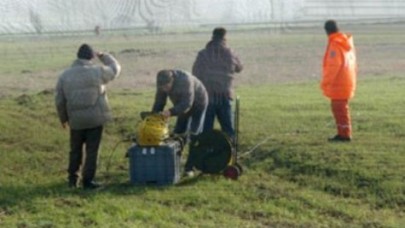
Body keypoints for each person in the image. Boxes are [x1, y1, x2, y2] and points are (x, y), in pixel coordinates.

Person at [55, 43, 121, 189]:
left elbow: (59, 100)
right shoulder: (97, 71)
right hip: (95, 119)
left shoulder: (65, 75)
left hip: (76, 120)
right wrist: (104, 56)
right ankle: (88, 181)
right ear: (91, 57)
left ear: (77, 57)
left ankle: (72, 180)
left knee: (75, 150)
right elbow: (116, 69)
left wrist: (63, 119)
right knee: (92, 151)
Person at [152, 69, 208, 176]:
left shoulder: (185, 80)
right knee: (178, 133)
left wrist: (170, 112)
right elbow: (159, 102)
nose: (165, 90)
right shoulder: (162, 84)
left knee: (194, 134)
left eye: (167, 87)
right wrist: (154, 117)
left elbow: (187, 105)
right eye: (162, 88)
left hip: (198, 104)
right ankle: (174, 162)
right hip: (180, 105)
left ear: (172, 80)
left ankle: (190, 167)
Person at [192, 27, 243, 142]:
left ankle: (206, 153)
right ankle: (231, 154)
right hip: (225, 94)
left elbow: (195, 72)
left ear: (212, 37)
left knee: (206, 130)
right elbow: (240, 68)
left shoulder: (203, 54)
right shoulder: (231, 53)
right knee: (228, 129)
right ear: (225, 38)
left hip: (207, 95)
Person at [321, 20, 357, 142]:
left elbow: (333, 66)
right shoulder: (345, 43)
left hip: (338, 82)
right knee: (341, 108)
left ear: (326, 31)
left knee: (339, 109)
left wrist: (326, 82)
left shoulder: (335, 45)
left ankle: (345, 135)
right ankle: (343, 133)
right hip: (347, 80)